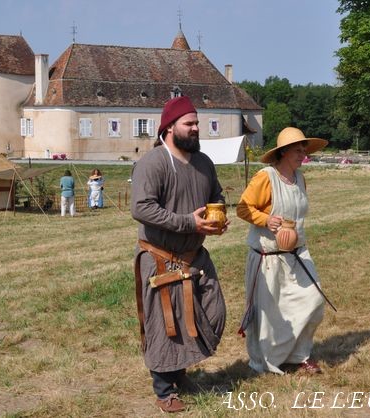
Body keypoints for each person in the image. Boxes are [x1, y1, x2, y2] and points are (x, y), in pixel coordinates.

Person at [131, 96, 228, 413]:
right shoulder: (153, 163)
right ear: (169, 127)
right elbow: (142, 208)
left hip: (194, 255)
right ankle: (164, 390)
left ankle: (181, 372)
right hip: (162, 256)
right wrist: (187, 221)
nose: (196, 128)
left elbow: (217, 196)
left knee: (211, 314)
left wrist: (217, 220)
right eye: (190, 123)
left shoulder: (204, 163)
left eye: (197, 123)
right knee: (166, 325)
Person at [236, 126, 329, 376]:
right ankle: (268, 360)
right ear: (284, 152)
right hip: (269, 257)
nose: (302, 154)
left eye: (304, 150)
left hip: (297, 254)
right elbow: (243, 209)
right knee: (272, 315)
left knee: (313, 301)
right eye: (298, 150)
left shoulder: (300, 178)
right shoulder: (266, 177)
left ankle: (300, 354)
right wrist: (265, 220)